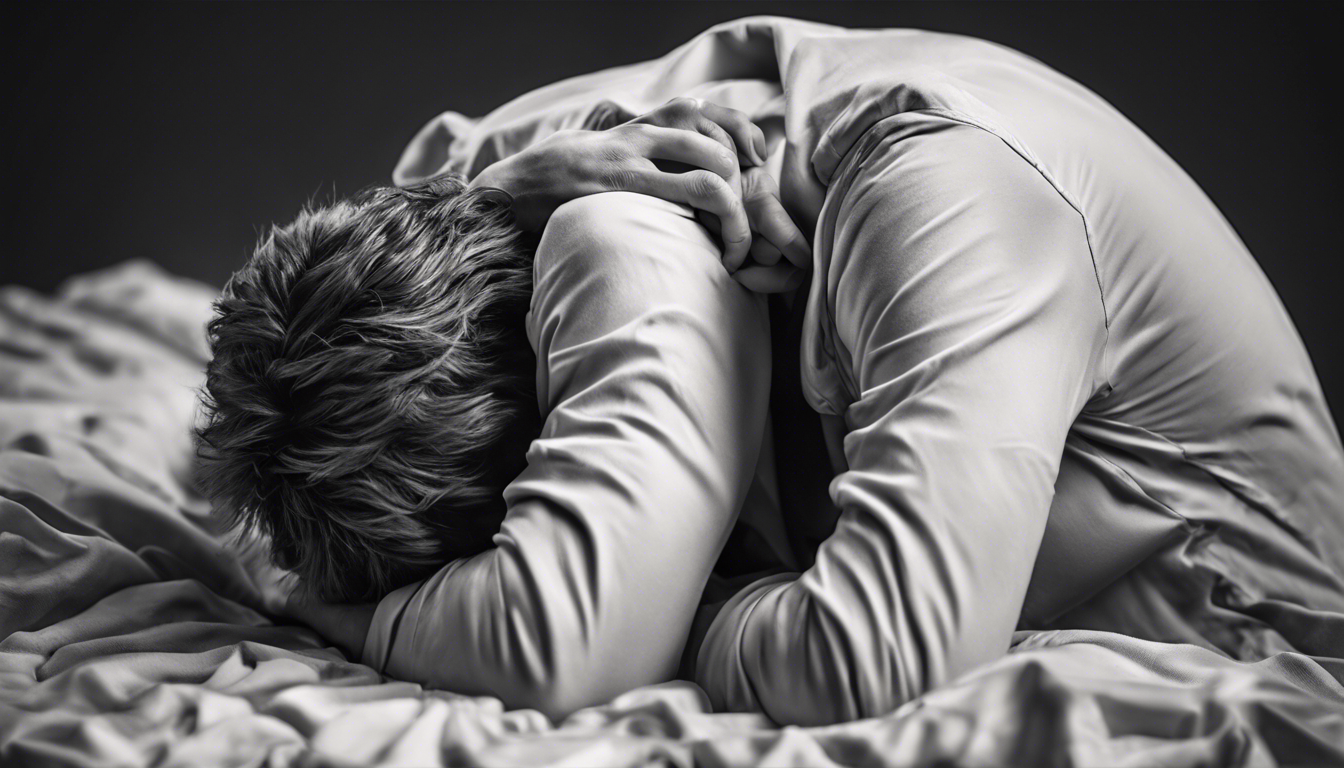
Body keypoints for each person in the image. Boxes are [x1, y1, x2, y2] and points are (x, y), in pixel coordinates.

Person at [201, 17, 1344, 726]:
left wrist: (664, 606)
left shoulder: (940, 193)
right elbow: (271, 455)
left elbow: (862, 662)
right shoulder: (496, 188)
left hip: (1235, 614)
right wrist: (321, 593)